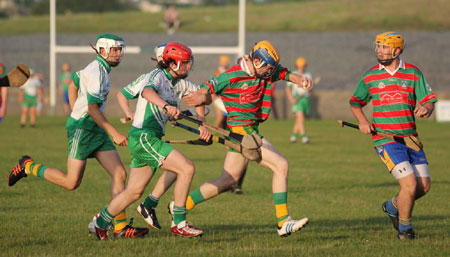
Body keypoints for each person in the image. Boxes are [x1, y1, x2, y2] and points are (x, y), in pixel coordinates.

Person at [8, 33, 148, 239]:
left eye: (120, 50)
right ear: (102, 51)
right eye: (115, 50)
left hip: (95, 127)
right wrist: (113, 132)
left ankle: (119, 227)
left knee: (119, 174)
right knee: (71, 182)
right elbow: (92, 109)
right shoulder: (96, 72)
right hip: (83, 129)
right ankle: (28, 166)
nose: (119, 54)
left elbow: (74, 81)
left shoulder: (97, 68)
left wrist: (74, 108)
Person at [181, 40, 313, 237]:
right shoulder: (232, 75)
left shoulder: (264, 71)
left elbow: (283, 73)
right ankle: (283, 221)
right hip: (243, 133)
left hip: (247, 131)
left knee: (228, 181)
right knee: (281, 165)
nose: (270, 72)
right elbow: (203, 91)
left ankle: (180, 206)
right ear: (257, 61)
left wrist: (299, 79)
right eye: (268, 66)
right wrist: (202, 114)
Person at [93, 42, 210, 240]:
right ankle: (179, 222)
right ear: (172, 64)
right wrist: (166, 107)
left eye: (189, 63)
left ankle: (100, 222)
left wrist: (202, 123)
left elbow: (202, 98)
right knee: (186, 168)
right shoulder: (157, 76)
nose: (188, 67)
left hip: (150, 138)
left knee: (133, 192)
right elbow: (147, 92)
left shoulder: (180, 82)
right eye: (185, 63)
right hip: (143, 136)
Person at [349, 32, 437, 240]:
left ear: (397, 50)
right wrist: (362, 121)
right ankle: (405, 229)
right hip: (386, 140)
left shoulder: (413, 73)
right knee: (409, 184)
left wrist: (427, 109)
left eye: (384, 47)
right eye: (378, 46)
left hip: (411, 140)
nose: (379, 50)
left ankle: (392, 206)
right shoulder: (371, 76)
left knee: (423, 186)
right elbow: (355, 102)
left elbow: (429, 100)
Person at [285, 57, 313, 143]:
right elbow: (288, 88)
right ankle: (304, 137)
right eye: (299, 66)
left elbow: (310, 89)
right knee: (301, 118)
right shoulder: (293, 74)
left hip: (305, 99)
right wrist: (291, 98)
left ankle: (293, 136)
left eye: (303, 66)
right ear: (297, 66)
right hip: (297, 99)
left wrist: (308, 88)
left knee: (300, 119)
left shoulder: (308, 75)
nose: (301, 67)